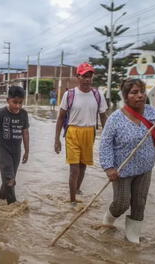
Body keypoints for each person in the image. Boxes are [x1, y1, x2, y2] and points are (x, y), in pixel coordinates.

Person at [99, 78, 155, 244]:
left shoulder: (152, 112)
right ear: (126, 97)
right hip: (122, 170)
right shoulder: (115, 119)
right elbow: (105, 145)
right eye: (134, 92)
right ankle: (108, 221)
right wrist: (109, 168)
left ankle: (133, 240)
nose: (140, 96)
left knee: (139, 203)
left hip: (145, 168)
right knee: (122, 203)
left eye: (141, 92)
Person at [54, 62, 108, 205]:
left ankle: (77, 189)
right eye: (84, 76)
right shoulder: (69, 94)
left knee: (83, 165)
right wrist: (57, 139)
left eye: (89, 76)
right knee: (74, 168)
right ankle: (72, 201)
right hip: (73, 132)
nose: (87, 79)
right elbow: (60, 118)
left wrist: (108, 138)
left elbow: (103, 117)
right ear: (77, 77)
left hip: (90, 132)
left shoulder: (98, 95)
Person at [0, 86, 30, 204]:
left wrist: (27, 151)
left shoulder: (23, 114)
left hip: (16, 151)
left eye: (20, 103)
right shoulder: (1, 113)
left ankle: (0, 202)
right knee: (9, 179)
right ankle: (13, 206)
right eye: (14, 102)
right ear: (8, 100)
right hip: (3, 150)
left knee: (9, 180)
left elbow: (26, 133)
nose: (17, 106)